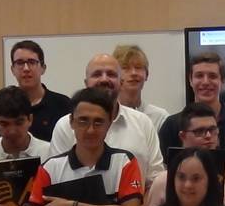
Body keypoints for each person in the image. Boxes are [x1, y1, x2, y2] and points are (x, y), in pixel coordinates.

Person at [50, 53, 164, 186]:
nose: (104, 79)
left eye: (111, 74)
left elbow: (156, 180)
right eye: (97, 74)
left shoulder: (143, 123)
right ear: (86, 83)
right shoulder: (65, 126)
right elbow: (55, 178)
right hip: (75, 205)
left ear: (121, 82)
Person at [140, 103, 225, 206]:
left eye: (212, 130)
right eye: (199, 131)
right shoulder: (164, 180)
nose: (208, 136)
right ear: (183, 136)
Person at [158, 52, 225, 176]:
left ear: (223, 80)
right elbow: (165, 174)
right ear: (190, 80)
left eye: (212, 76)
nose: (205, 82)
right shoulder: (171, 125)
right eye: (199, 76)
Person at [0, 39, 73, 144]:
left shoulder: (63, 104)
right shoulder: (2, 105)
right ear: (12, 69)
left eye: (31, 62)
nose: (26, 68)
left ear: (43, 68)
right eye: (20, 63)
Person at [114, 43, 169, 131]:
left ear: (146, 75)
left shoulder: (160, 117)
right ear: (115, 75)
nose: (133, 73)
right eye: (126, 68)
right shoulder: (105, 117)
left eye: (138, 67)